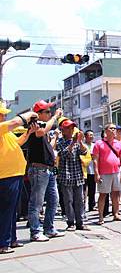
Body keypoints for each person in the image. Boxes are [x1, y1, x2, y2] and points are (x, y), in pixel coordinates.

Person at [0, 105, 37, 254]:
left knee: (12, 210)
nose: (4, 117)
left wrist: (29, 132)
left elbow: (17, 143)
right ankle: (3, 242)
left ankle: (11, 239)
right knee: (6, 210)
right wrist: (27, 115)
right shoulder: (2, 128)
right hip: (6, 176)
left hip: (14, 174)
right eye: (2, 114)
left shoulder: (5, 133)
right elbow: (14, 123)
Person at [25, 101, 64, 242]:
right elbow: (41, 131)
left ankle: (49, 228)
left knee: (54, 200)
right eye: (47, 111)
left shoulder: (45, 129)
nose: (49, 114)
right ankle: (35, 231)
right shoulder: (34, 125)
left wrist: (54, 138)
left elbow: (49, 148)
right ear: (39, 114)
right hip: (38, 169)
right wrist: (55, 117)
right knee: (37, 202)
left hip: (48, 169)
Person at [56, 119, 90, 231]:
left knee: (80, 200)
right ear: (63, 130)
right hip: (66, 176)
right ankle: (71, 222)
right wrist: (72, 143)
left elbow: (84, 152)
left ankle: (80, 222)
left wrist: (79, 142)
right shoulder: (60, 142)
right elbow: (63, 154)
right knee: (68, 200)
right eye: (68, 128)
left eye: (72, 128)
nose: (71, 130)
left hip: (77, 175)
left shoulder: (76, 142)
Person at [92, 123, 121, 225]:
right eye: (111, 128)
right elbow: (95, 160)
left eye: (114, 129)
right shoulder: (99, 143)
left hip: (116, 172)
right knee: (103, 195)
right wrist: (96, 173)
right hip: (104, 173)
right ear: (106, 131)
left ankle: (116, 214)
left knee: (115, 194)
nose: (113, 130)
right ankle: (101, 217)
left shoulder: (118, 143)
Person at [83, 130, 96, 212]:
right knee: (84, 190)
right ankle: (83, 206)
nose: (91, 136)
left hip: (93, 170)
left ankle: (92, 205)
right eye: (90, 135)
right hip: (84, 170)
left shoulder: (95, 146)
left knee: (92, 189)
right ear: (85, 137)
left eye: (92, 135)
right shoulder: (83, 146)